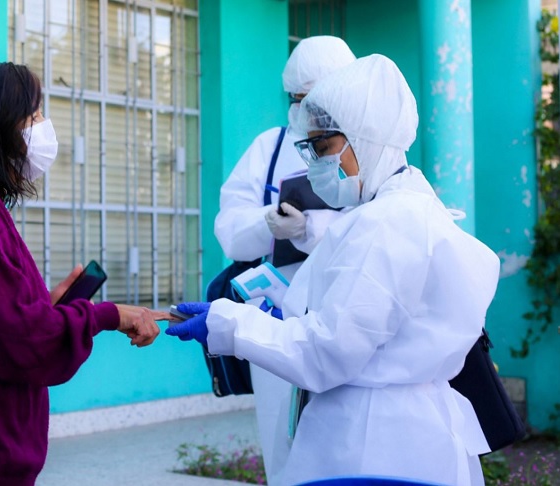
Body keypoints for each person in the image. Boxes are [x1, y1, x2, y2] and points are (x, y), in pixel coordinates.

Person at [168, 54, 499, 485]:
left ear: (365, 137)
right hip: (401, 437)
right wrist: (277, 316)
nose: (314, 164)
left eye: (322, 147)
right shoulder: (410, 207)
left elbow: (327, 352)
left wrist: (229, 323)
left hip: (372, 443)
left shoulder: (385, 224)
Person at [0, 62, 165, 486]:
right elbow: (23, 343)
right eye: (33, 116)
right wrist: (106, 315)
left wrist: (43, 307)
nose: (42, 128)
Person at [212, 35, 355, 484]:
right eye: (296, 98)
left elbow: (378, 226)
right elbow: (230, 233)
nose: (304, 107)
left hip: (347, 313)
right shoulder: (269, 147)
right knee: (281, 443)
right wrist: (269, 223)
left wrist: (312, 230)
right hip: (277, 317)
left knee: (344, 439)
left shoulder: (367, 145)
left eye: (313, 97)